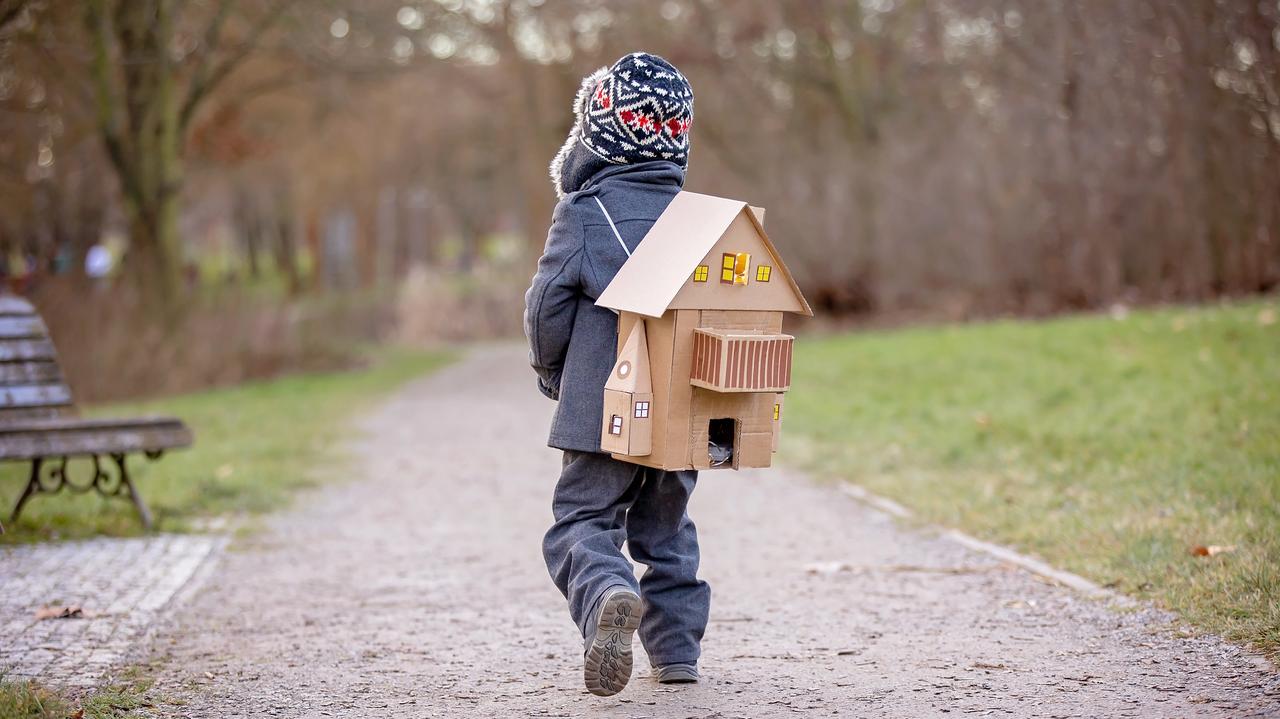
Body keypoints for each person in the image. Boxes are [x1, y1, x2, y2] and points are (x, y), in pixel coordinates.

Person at [523, 52, 708, 697]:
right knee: (668, 528)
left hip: (604, 407)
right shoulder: (699, 222)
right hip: (684, 408)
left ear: (597, 132)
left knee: (581, 518)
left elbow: (548, 304)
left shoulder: (586, 211)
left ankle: (606, 591)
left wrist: (550, 369)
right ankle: (677, 653)